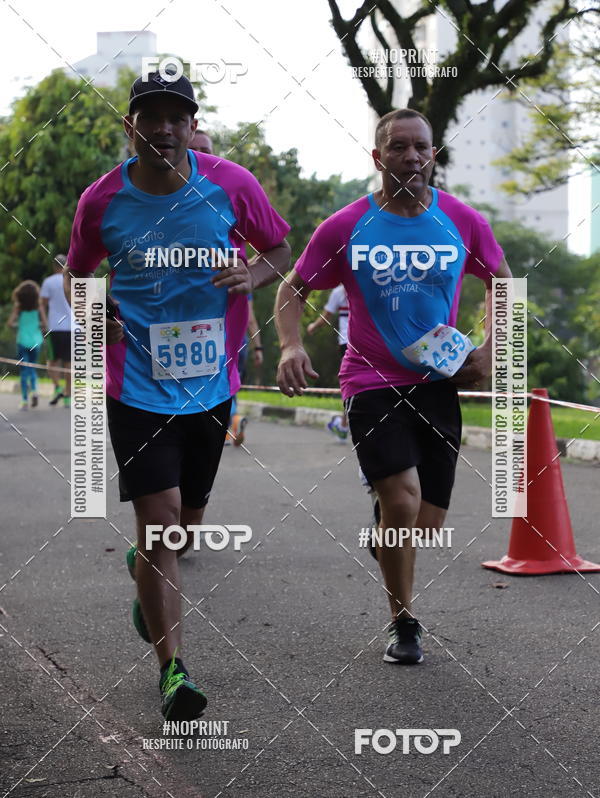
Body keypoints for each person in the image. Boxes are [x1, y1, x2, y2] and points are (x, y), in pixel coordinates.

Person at [65, 70, 290, 720]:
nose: (163, 127)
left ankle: (150, 574)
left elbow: (279, 247)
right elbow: (77, 275)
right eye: (150, 115)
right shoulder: (101, 202)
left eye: (176, 116)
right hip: (136, 386)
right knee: (159, 527)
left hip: (211, 384)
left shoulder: (231, 184)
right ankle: (173, 672)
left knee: (185, 528)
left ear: (192, 125)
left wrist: (251, 273)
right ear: (131, 125)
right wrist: (94, 313)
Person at [275, 108, 512, 666]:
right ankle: (403, 622)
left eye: (421, 147)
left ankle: (387, 525)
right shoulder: (345, 226)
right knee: (402, 498)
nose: (411, 157)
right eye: (399, 147)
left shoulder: (462, 220)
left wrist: (491, 351)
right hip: (371, 380)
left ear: (434, 154)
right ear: (377, 158)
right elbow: (294, 288)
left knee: (425, 523)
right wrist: (291, 345)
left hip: (439, 381)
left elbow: (501, 283)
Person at [307, 283, 349, 441]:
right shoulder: (362, 285)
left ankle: (343, 427)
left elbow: (326, 316)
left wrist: (313, 326)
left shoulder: (338, 292)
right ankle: (343, 424)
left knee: (349, 384)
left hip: (346, 343)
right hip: (366, 341)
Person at [227, 296, 263, 446]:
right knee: (232, 386)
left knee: (221, 388)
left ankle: (232, 422)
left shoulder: (210, 277)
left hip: (220, 343)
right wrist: (258, 348)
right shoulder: (241, 280)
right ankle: (231, 427)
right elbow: (250, 319)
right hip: (240, 344)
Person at [7, 280, 47, 410]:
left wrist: (19, 325)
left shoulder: (18, 307)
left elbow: (10, 323)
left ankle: (24, 400)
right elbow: (45, 325)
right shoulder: (38, 306)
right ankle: (34, 391)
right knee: (32, 367)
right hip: (36, 341)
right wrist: (38, 326)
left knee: (24, 369)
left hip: (22, 340)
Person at [41, 254, 72, 407]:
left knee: (52, 361)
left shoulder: (48, 282)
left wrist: (45, 322)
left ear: (54, 266)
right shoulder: (73, 280)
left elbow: (42, 304)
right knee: (69, 364)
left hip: (54, 327)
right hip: (73, 328)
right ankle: (67, 395)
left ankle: (57, 387)